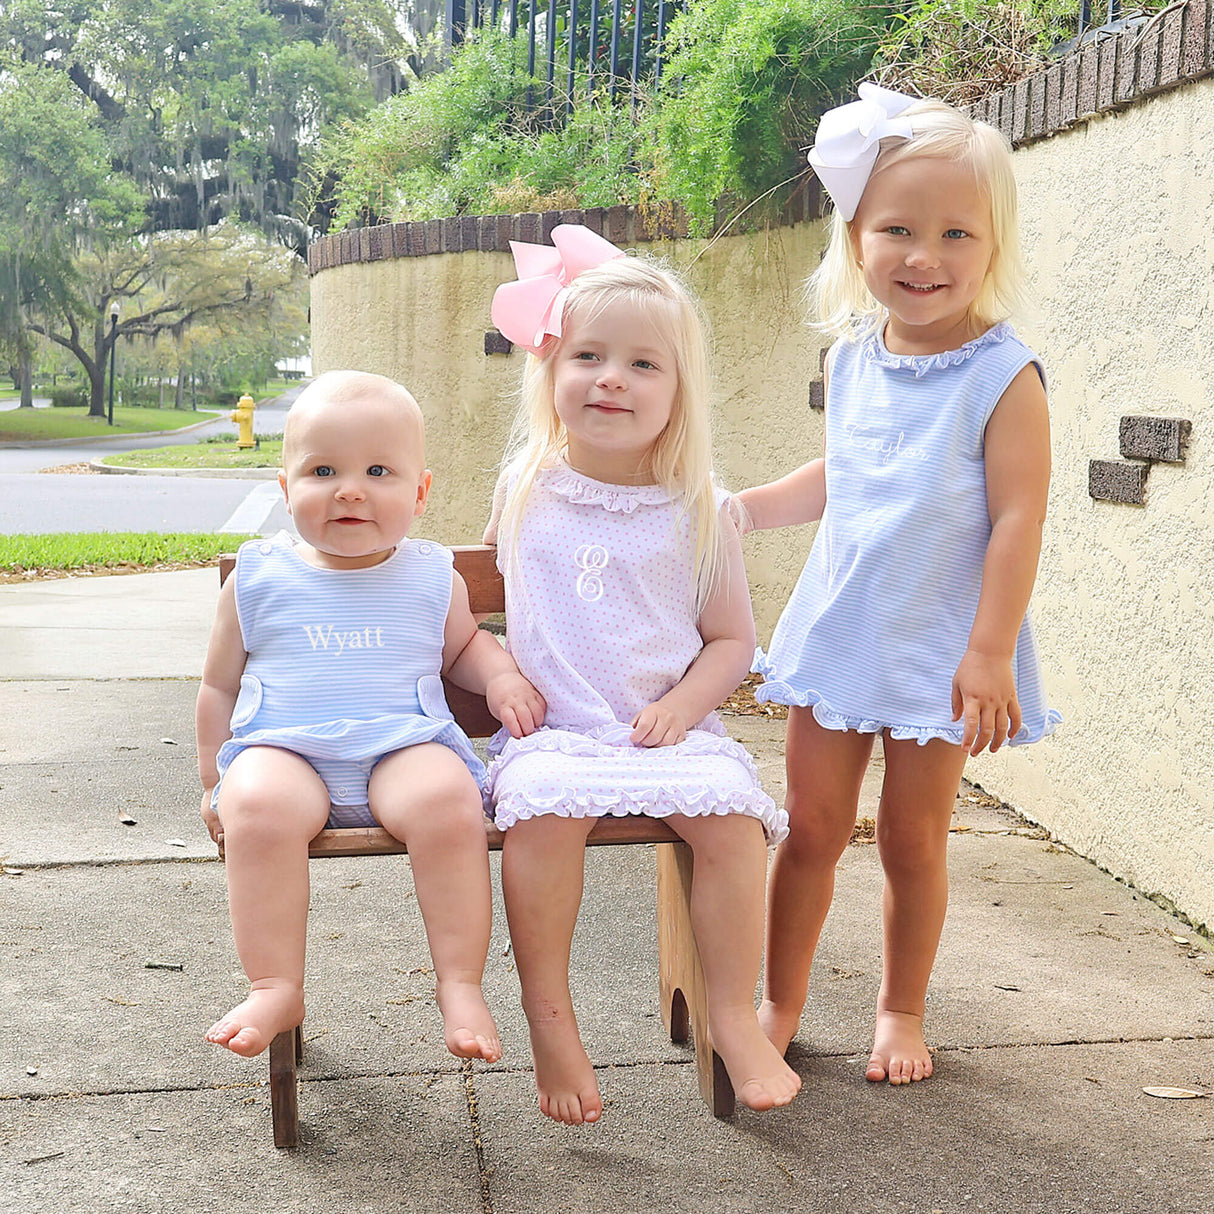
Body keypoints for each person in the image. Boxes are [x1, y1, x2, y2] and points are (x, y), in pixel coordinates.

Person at [735, 84, 1060, 1085]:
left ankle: (899, 1007)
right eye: (897, 229)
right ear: (854, 234)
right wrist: (735, 509)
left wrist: (989, 649)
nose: (924, 256)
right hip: (840, 631)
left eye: (956, 232)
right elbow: (845, 474)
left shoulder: (1002, 374)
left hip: (940, 646)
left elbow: (1016, 515)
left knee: (913, 842)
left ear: (991, 244)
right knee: (810, 831)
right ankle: (777, 999)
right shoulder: (855, 359)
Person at [483, 225, 800, 1124]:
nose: (610, 378)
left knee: (734, 822)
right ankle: (552, 1019)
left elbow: (732, 643)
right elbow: (478, 615)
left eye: (641, 364)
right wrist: (499, 671)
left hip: (672, 729)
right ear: (550, 371)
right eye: (586, 355)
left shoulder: (698, 508)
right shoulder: (527, 485)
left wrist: (683, 703)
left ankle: (734, 1016)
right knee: (544, 819)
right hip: (559, 734)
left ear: (679, 392)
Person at [196, 370, 545, 1065]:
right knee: (257, 806)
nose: (350, 489)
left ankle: (460, 982)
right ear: (285, 487)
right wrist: (214, 781)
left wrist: (501, 676)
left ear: (419, 492)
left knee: (448, 800)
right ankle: (274, 983)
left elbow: (467, 647)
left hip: (402, 747)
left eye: (378, 471)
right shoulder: (258, 580)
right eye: (323, 470)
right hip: (286, 753)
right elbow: (217, 687)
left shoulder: (428, 576)